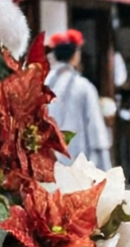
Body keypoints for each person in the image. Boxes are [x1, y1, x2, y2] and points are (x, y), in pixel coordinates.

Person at [43, 28, 108, 168]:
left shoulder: (44, 83)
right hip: (79, 156)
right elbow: (95, 128)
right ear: (75, 55)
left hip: (47, 156)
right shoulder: (84, 86)